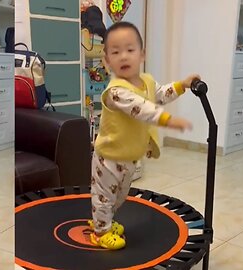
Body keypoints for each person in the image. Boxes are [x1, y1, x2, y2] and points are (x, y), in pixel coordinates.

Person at [89, 21, 199, 250]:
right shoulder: (115, 91)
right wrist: (168, 120)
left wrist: (182, 85)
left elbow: (159, 95)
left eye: (130, 50)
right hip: (108, 157)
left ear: (142, 55)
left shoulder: (147, 82)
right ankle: (100, 231)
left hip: (130, 157)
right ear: (107, 62)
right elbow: (141, 107)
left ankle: (105, 219)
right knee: (104, 196)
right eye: (116, 52)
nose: (124, 56)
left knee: (120, 197)